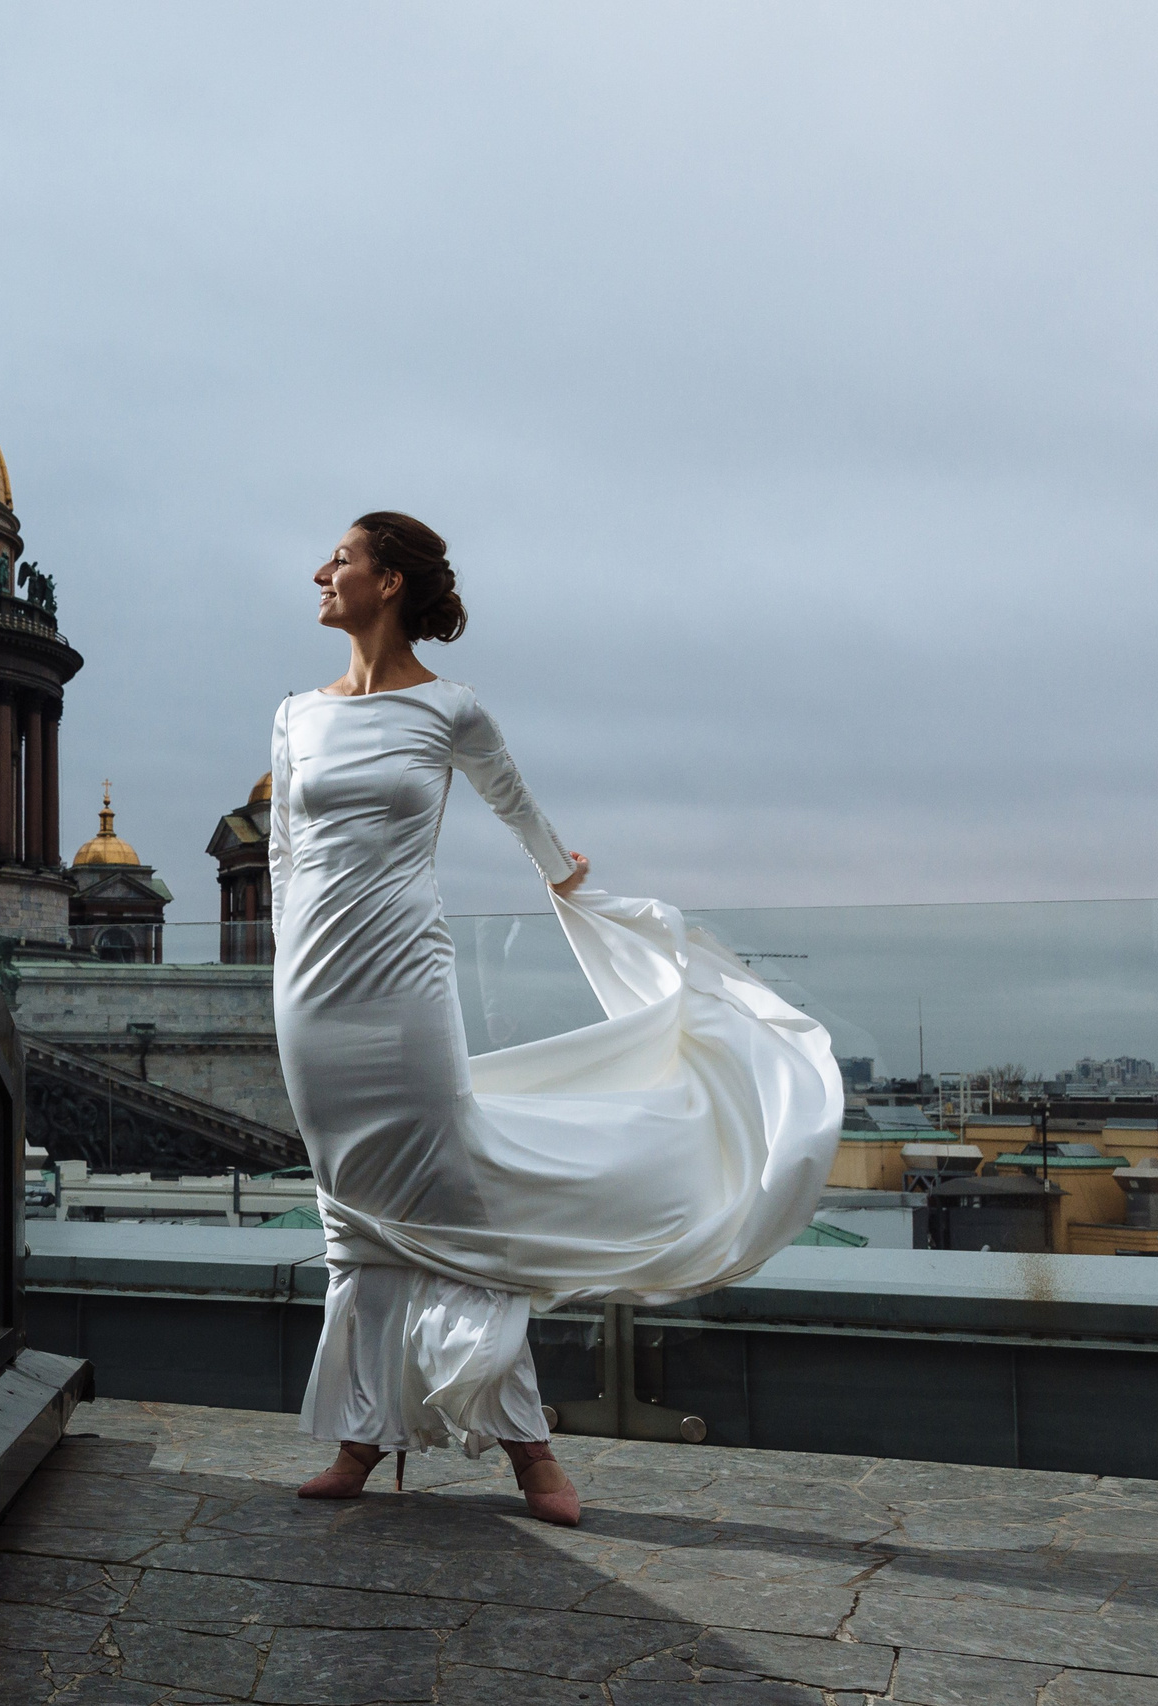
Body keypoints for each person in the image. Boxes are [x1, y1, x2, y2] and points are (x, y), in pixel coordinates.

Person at [269, 512, 838, 1525]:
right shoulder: (294, 715)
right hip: (311, 991)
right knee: (350, 1213)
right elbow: (281, 858)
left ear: (388, 581)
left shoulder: (449, 709)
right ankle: (362, 1436)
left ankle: (529, 1453)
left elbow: (516, 803)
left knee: (454, 1197)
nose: (322, 571)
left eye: (342, 558)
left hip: (402, 979)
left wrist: (567, 880)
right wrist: (284, 966)